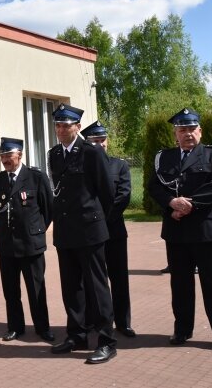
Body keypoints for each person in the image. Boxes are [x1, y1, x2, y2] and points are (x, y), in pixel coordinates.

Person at [148, 108, 212, 355]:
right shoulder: (164, 157)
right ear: (175, 133)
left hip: (207, 230)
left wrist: (189, 204)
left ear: (200, 131)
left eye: (191, 129)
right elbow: (154, 186)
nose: (187, 134)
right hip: (176, 231)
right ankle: (183, 330)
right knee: (180, 284)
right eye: (182, 129)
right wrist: (170, 203)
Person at [48, 104, 117, 364]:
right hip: (65, 232)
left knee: (97, 288)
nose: (61, 129)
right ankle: (76, 335)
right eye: (58, 125)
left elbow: (107, 193)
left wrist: (96, 220)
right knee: (71, 288)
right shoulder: (54, 154)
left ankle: (106, 341)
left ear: (77, 126)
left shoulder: (91, 152)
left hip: (90, 230)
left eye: (66, 125)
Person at [0, 137, 54, 342]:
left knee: (36, 288)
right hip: (7, 244)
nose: (5, 159)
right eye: (2, 155)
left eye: (9, 155)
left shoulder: (36, 177)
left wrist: (36, 230)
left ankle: (42, 327)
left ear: (20, 155)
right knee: (11, 290)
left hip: (31, 244)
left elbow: (48, 209)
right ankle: (15, 327)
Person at [81, 121, 136, 338]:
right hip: (91, 234)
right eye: (95, 141)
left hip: (114, 231)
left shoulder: (119, 165)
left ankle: (123, 322)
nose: (100, 144)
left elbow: (123, 196)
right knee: (94, 280)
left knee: (119, 278)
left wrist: (101, 218)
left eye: (102, 139)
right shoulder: (82, 166)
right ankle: (97, 321)